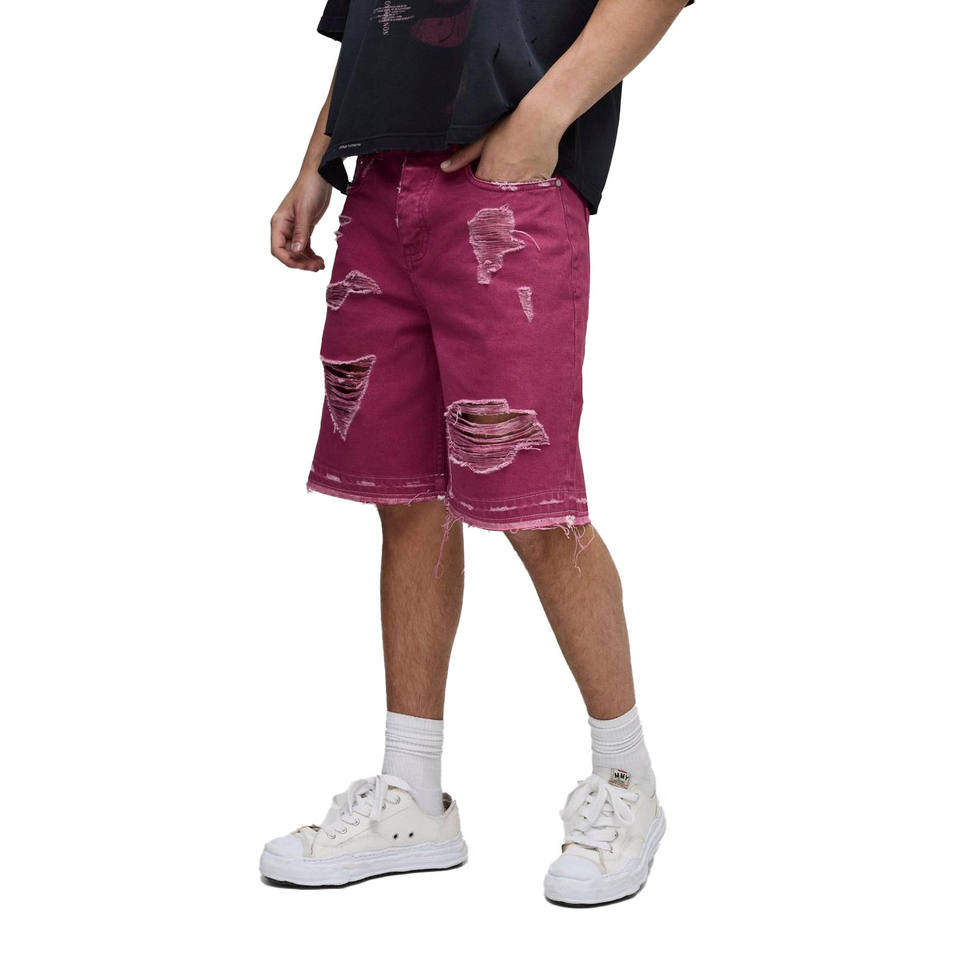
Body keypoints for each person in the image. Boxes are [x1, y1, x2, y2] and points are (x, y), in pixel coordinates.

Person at [261, 0, 691, 906]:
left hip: (509, 192)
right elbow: (374, 25)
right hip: (378, 187)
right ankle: (412, 794)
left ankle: (626, 781)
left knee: (536, 506)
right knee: (404, 499)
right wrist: (316, 163)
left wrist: (542, 121)